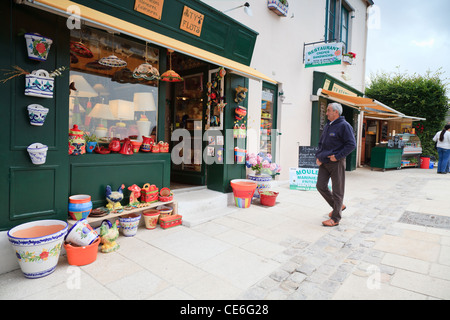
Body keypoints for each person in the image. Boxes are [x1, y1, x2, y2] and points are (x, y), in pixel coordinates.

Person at [315, 103, 356, 227]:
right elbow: (321, 143)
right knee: (320, 186)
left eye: (328, 110)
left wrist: (337, 156)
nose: (326, 113)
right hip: (324, 162)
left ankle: (335, 218)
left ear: (336, 112)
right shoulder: (328, 125)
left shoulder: (344, 126)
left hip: (336, 163)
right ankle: (338, 206)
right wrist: (318, 156)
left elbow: (351, 144)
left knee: (338, 190)